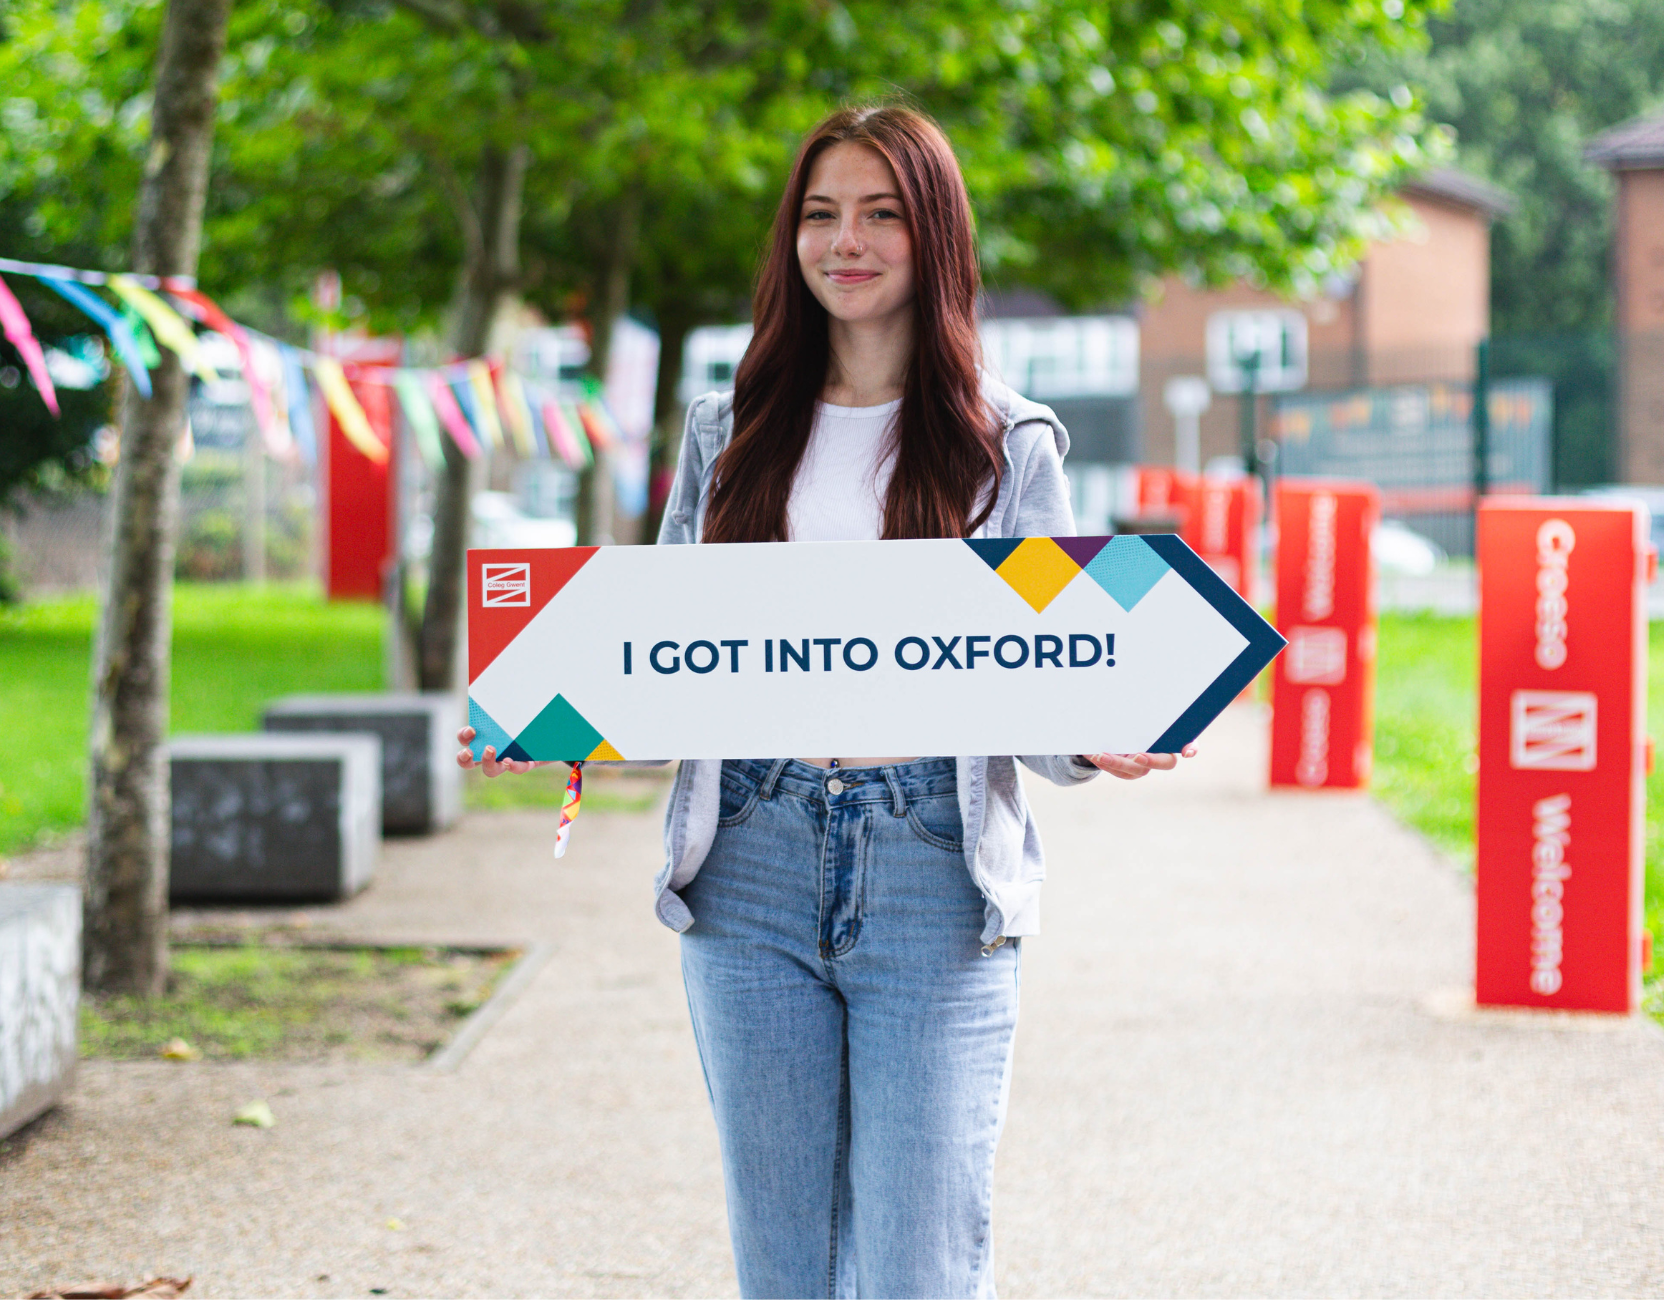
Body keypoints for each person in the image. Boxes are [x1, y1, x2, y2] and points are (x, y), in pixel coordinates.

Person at [459, 103, 1193, 1299]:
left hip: (932, 871)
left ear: (933, 235)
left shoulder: (1008, 441)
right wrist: (551, 710)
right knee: (784, 1265)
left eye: (878, 214)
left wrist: (1093, 733)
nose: (842, 240)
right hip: (746, 860)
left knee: (917, 1266)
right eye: (818, 214)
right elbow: (668, 646)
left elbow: (1045, 675)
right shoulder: (728, 429)